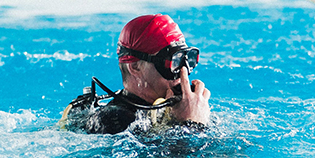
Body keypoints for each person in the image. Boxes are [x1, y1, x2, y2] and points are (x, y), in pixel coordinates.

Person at [60, 14, 211, 135]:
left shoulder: (167, 108)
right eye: (172, 62)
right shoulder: (117, 121)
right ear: (135, 67)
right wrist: (192, 125)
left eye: (187, 60)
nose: (182, 74)